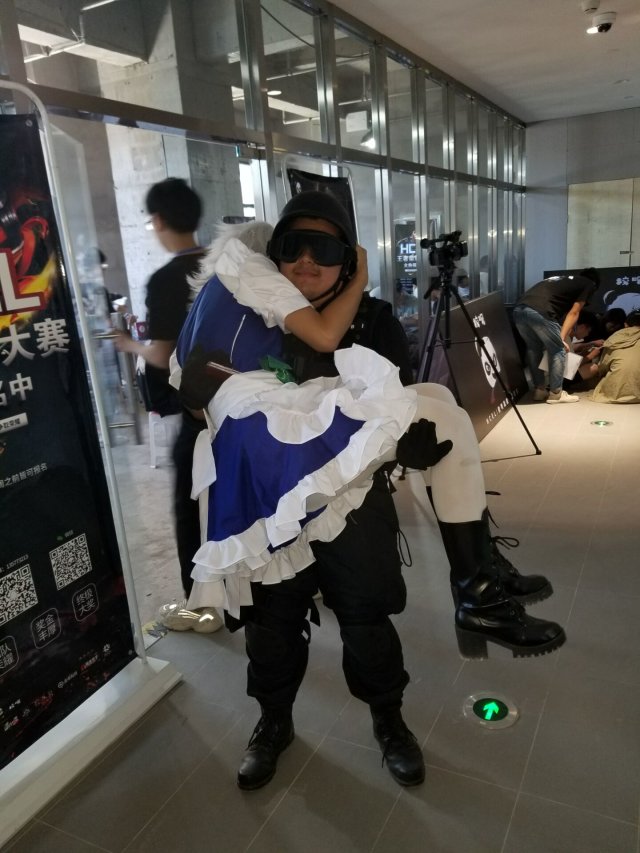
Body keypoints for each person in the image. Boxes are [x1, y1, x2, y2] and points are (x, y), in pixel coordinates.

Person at [172, 191, 565, 792]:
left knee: (367, 616)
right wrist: (197, 395)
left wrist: (407, 452)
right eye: (292, 247)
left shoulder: (372, 318)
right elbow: (203, 403)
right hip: (274, 502)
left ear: (348, 259)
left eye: (324, 250)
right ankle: (273, 723)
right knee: (273, 627)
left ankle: (391, 720)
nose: (306, 261)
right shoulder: (252, 309)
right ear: (273, 252)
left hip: (355, 506)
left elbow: (397, 405)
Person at [114, 177, 222, 634]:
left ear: (158, 221)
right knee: (234, 500)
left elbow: (162, 353)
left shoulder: (165, 280)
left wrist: (128, 345)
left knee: (190, 509)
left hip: (197, 414)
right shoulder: (222, 265)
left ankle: (202, 609)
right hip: (241, 406)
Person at [512, 268, 600, 403]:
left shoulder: (563, 280)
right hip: (541, 311)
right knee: (559, 349)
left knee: (533, 349)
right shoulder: (589, 284)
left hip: (519, 309)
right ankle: (556, 393)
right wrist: (561, 338)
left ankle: (540, 390)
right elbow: (574, 313)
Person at [581, 310, 640, 403]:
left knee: (596, 370)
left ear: (625, 324)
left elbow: (603, 366)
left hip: (615, 392)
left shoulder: (615, 337)